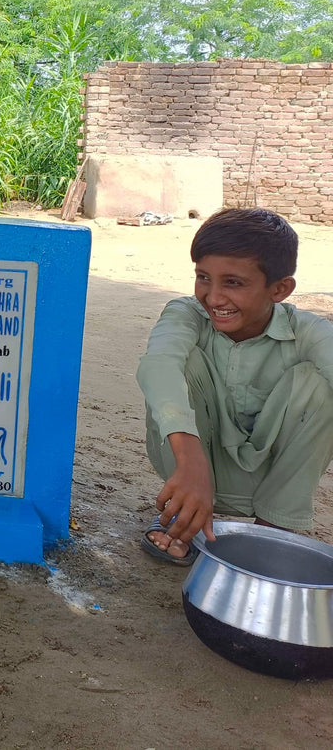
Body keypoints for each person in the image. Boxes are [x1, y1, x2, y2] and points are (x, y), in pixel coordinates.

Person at [136, 208, 333, 565]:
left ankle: (270, 530)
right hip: (188, 465)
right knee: (179, 365)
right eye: (203, 278)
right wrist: (190, 457)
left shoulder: (310, 333)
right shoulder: (186, 314)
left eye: (233, 283)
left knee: (319, 385)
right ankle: (189, 517)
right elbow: (159, 365)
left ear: (280, 289)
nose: (213, 297)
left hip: (269, 476)